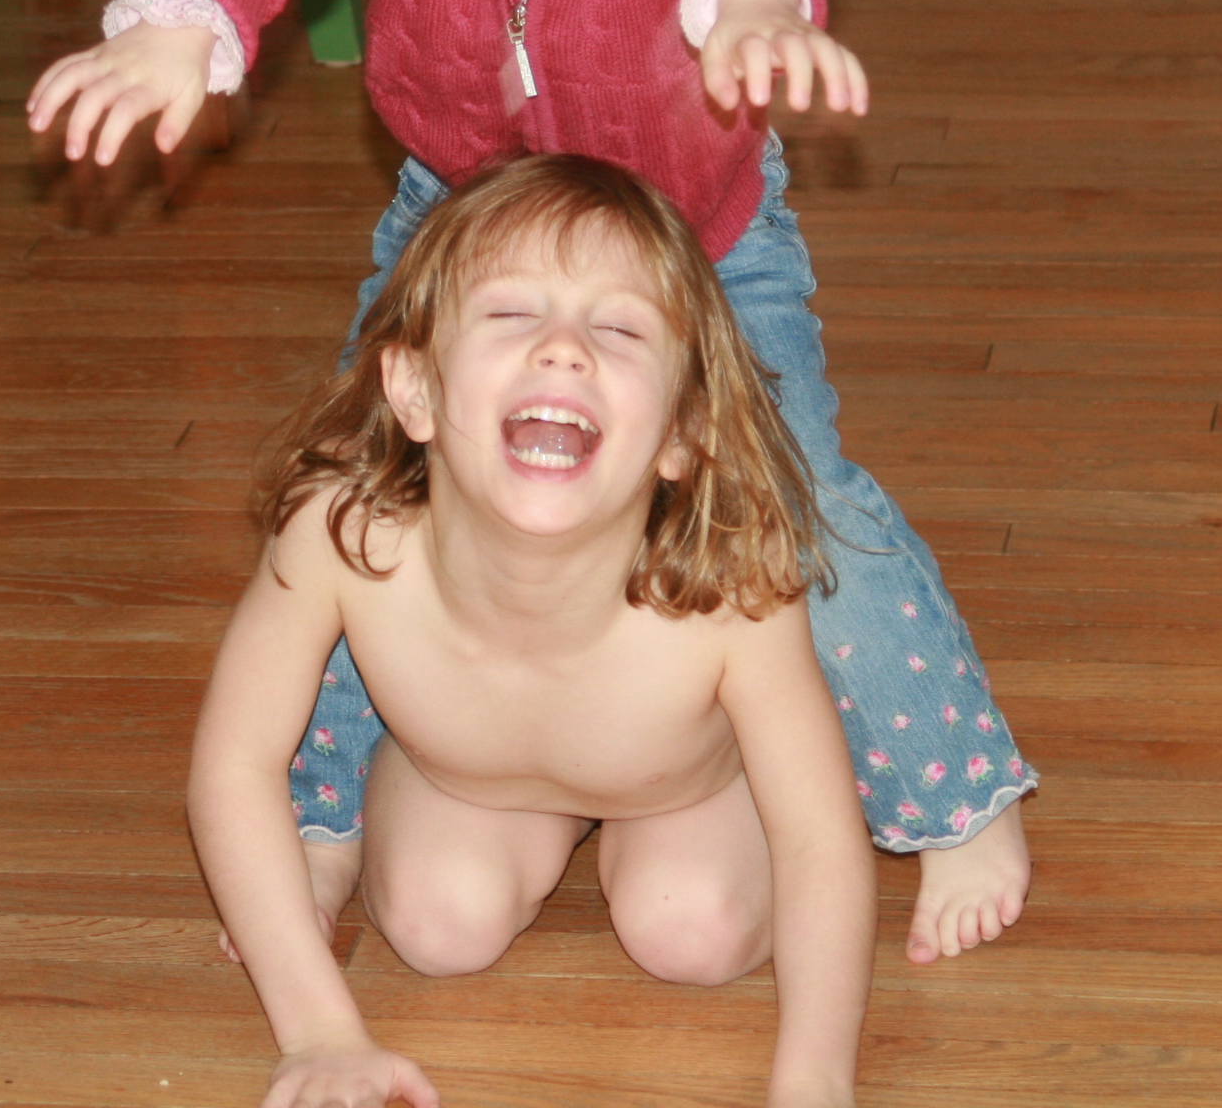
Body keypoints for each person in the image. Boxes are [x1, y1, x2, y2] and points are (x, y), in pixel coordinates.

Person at [29, 0, 1032, 965]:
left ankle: (954, 793)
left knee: (798, 506)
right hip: (461, 218)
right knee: (368, 496)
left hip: (696, 238)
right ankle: (320, 813)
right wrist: (182, 18)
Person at [191, 155, 870, 1108]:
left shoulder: (732, 581)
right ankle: (376, 845)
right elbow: (233, 764)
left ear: (683, 432)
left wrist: (814, 1084)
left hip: (683, 791)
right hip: (469, 782)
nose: (564, 349)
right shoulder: (342, 534)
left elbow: (819, 839)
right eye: (511, 313)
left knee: (694, 929)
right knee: (436, 925)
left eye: (620, 327)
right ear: (414, 389)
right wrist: (318, 1033)